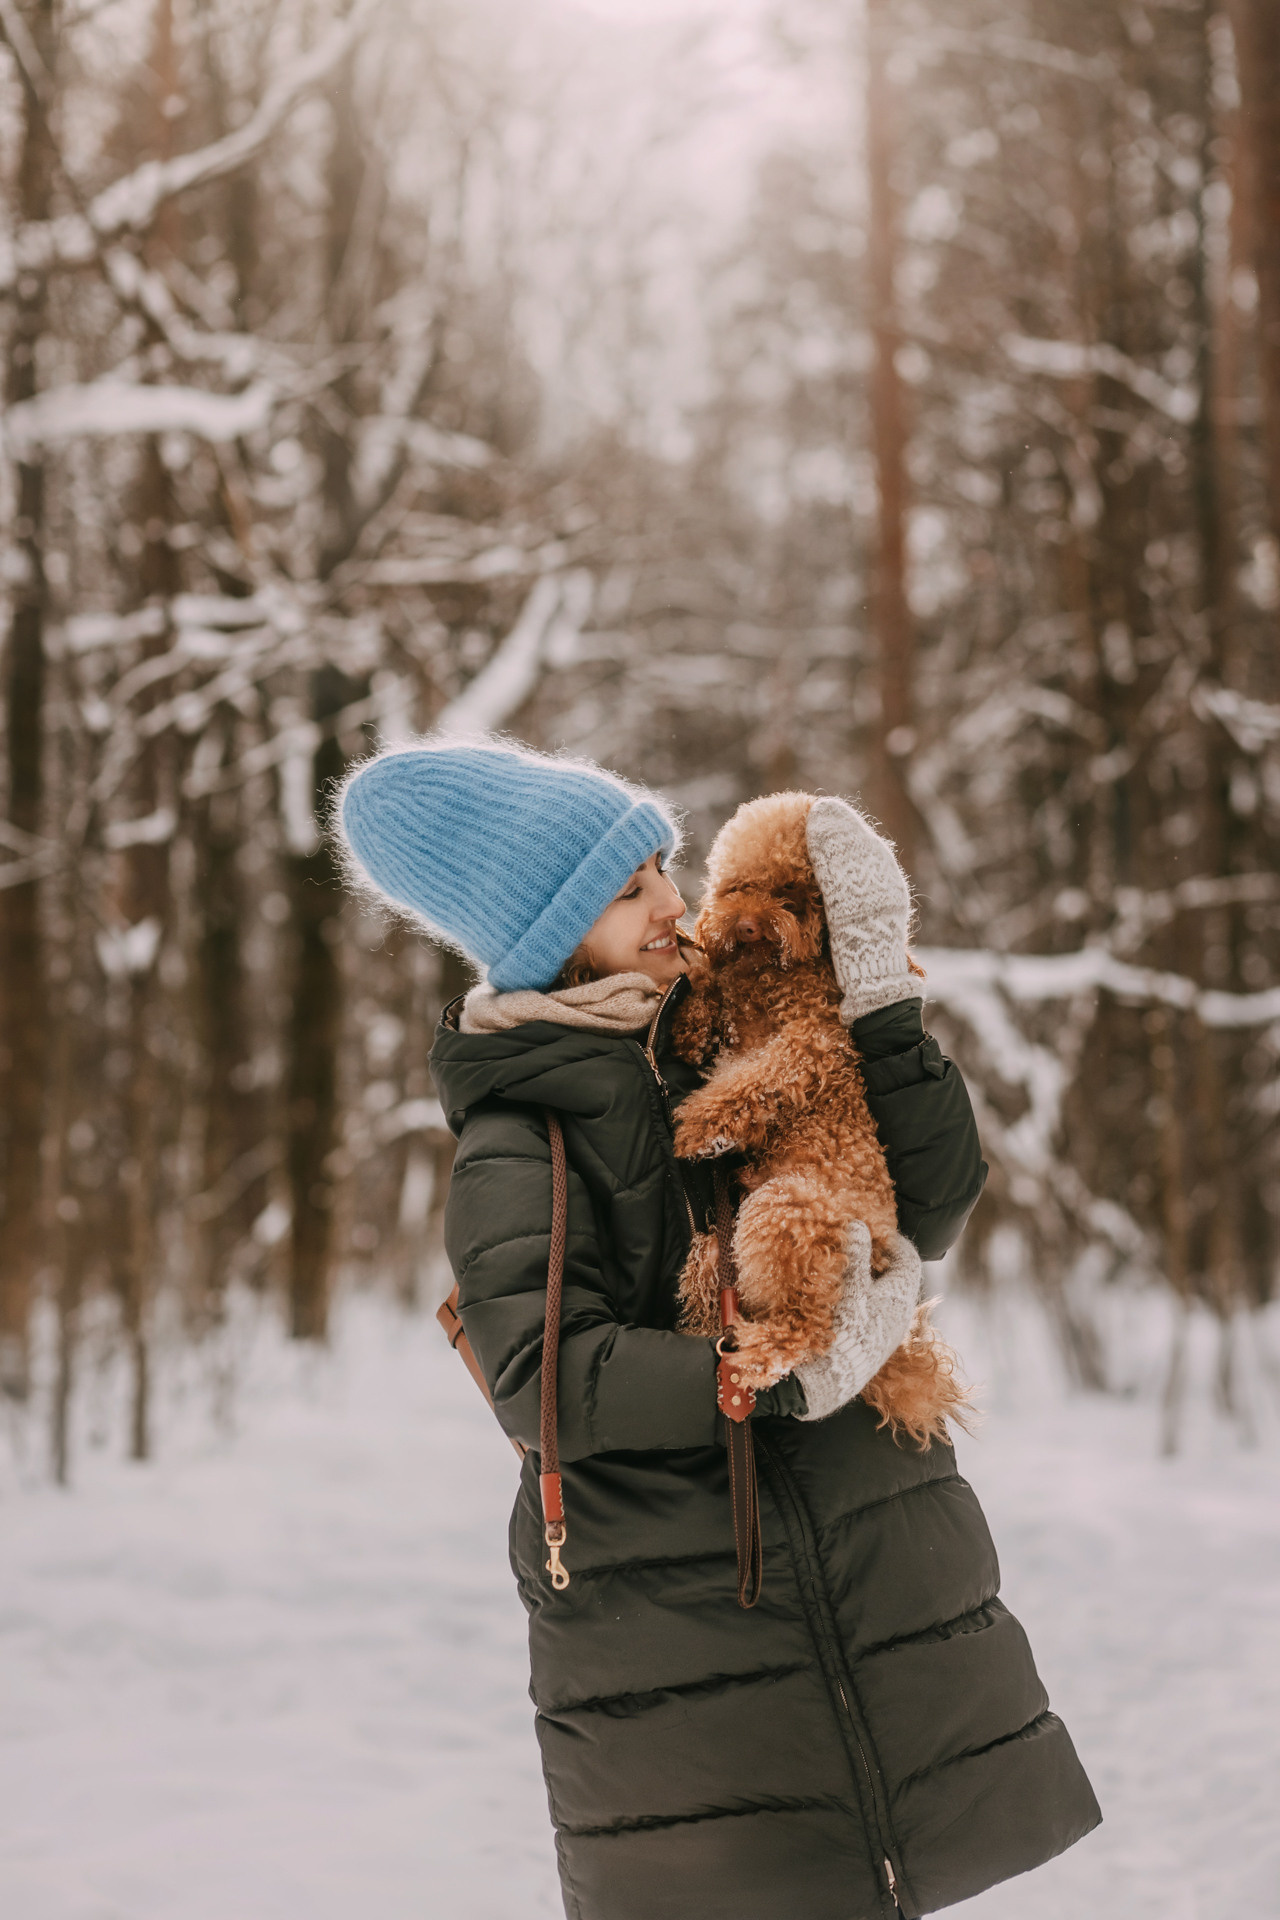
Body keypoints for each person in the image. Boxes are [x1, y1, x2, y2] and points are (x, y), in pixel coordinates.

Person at [338, 734, 1100, 1920]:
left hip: (869, 1562)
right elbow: (544, 1377)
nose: (670, 900)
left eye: (660, 866)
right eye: (625, 886)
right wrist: (769, 1379)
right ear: (548, 932)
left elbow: (933, 1200)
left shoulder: (739, 1016)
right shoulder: (519, 1133)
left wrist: (885, 1017)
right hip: (690, 1628)